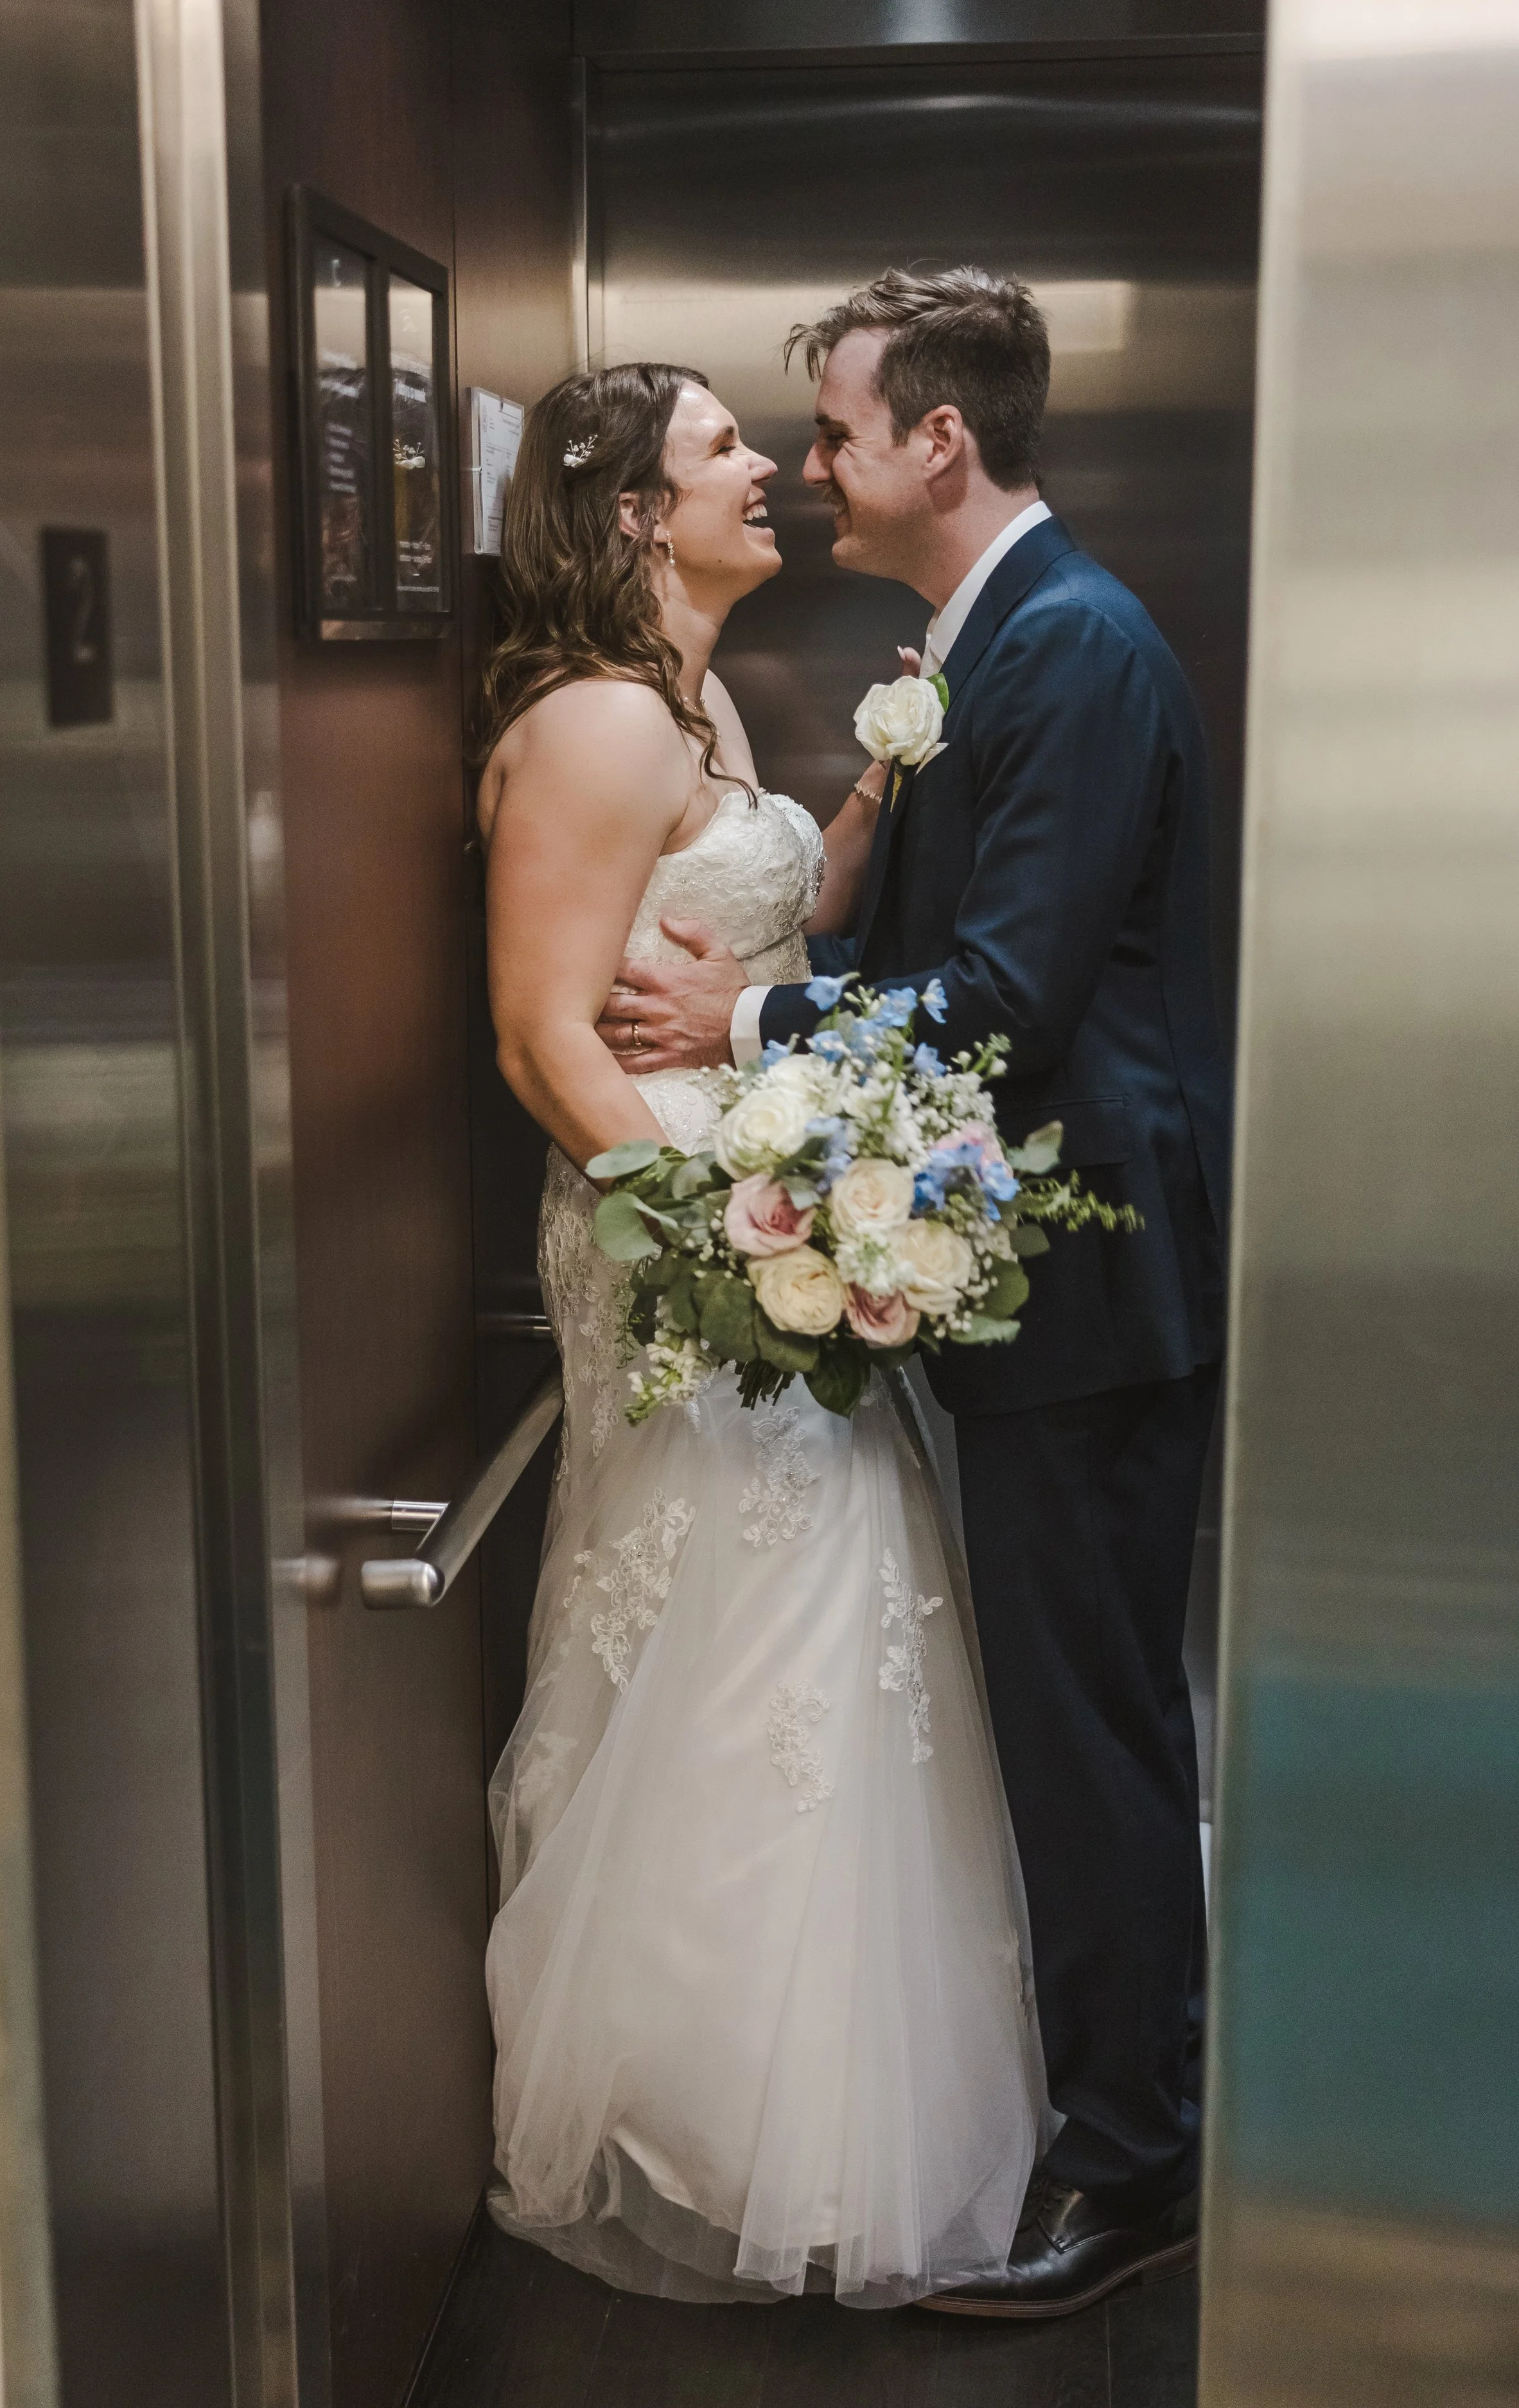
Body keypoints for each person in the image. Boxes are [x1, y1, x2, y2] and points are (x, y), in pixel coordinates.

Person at [599, 271, 1230, 2316]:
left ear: (938, 441)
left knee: (1092, 1724)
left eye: (840, 432)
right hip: (1033, 1281)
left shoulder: (1071, 646)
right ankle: (1112, 2106)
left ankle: (1134, 2164)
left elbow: (1005, 1002)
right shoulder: (992, 640)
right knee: (1069, 1710)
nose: (813, 467)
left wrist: (741, 1016)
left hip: (1092, 1289)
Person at [476, 360, 1051, 2307]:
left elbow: (756, 923)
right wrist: (720, 1237)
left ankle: (813, 2112)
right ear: (639, 512)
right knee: (728, 1607)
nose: (771, 476)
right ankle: (691, 2108)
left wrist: (875, 783)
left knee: (827, 1602)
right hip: (675, 1242)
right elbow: (542, 1038)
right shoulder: (590, 725)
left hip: (762, 1210)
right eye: (727, 449)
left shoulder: (698, 706)